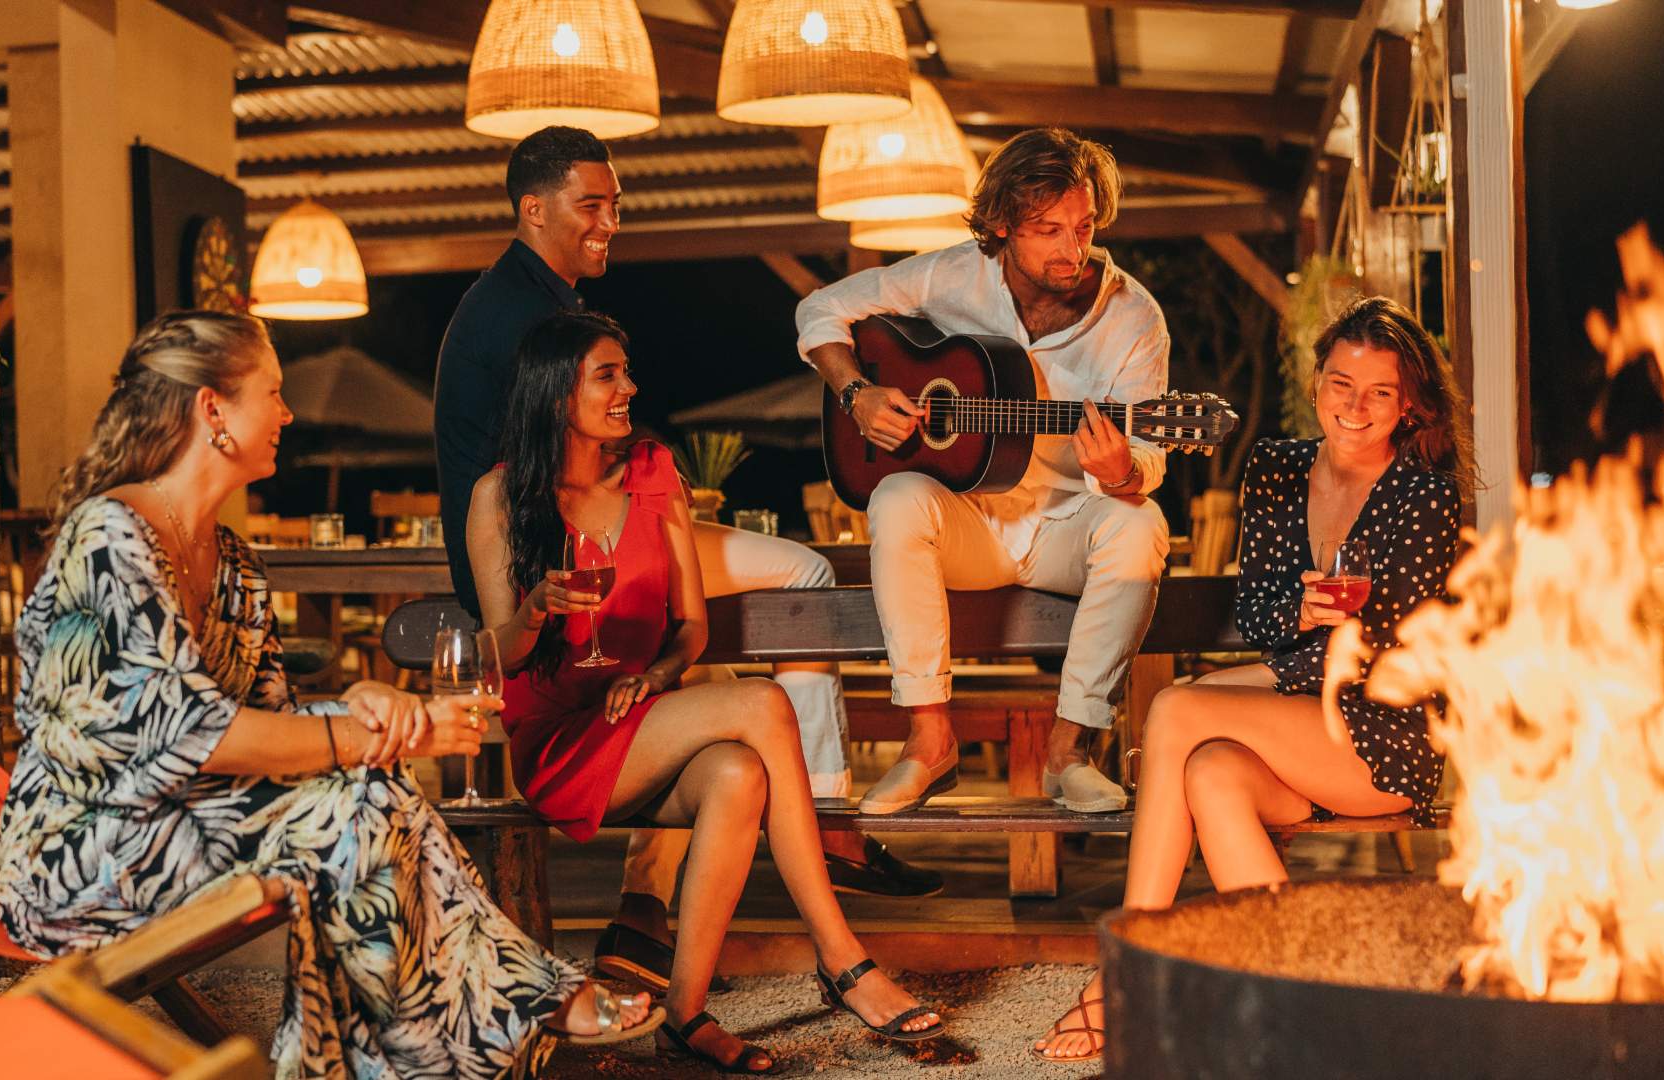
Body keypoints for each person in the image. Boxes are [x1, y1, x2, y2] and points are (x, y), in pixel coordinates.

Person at [0, 311, 657, 1080]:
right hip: (85, 851)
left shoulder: (233, 560)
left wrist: (360, 704)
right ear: (213, 411)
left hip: (188, 821)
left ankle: (403, 1054)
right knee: (353, 808)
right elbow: (191, 736)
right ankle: (505, 1010)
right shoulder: (109, 537)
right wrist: (370, 736)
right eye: (271, 393)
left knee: (367, 793)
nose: (287, 413)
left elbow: (269, 722)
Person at [434, 128, 940, 993]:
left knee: (725, 669)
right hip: (540, 557)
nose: (610, 223)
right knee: (806, 576)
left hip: (574, 542)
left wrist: (664, 623)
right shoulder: (523, 317)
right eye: (591, 205)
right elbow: (506, 477)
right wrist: (527, 591)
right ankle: (819, 819)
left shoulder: (519, 300)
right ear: (533, 209)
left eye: (615, 206)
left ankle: (661, 899)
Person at [467, 312, 947, 1073]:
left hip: (640, 717)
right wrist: (534, 612)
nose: (630, 387)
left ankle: (683, 1012)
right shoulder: (499, 498)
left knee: (740, 772)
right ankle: (843, 958)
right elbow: (498, 656)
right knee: (762, 703)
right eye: (608, 375)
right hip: (559, 740)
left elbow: (689, 627)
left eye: (627, 370)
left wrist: (655, 676)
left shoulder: (654, 473)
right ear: (556, 392)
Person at [1034, 297, 1474, 1063]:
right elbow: (1259, 611)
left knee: (1176, 710)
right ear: (1316, 384)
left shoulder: (1424, 494)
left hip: (1385, 738)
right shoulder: (1276, 468)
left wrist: (1260, 673)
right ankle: (1299, 997)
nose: (1356, 407)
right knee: (1210, 771)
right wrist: (1299, 622)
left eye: (1379, 392)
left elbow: (1385, 655)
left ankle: (1122, 977)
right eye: (1342, 384)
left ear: (1408, 404)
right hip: (1299, 723)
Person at [795, 127, 1171, 815]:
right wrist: (857, 393)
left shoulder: (1133, 317)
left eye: (1083, 226)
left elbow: (1150, 448)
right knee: (899, 494)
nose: (1071, 248)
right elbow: (820, 308)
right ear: (1001, 224)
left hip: (1066, 528)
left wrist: (1122, 471)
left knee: (1139, 520)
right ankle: (929, 741)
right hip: (973, 523)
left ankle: (1071, 749)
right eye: (1047, 230)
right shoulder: (951, 274)